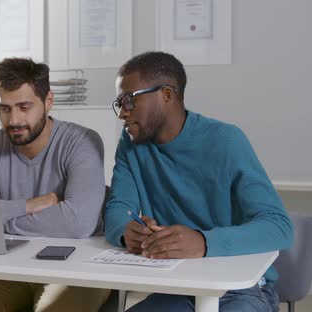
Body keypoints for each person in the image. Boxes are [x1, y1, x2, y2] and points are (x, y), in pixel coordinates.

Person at [104, 51, 293, 311]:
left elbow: (279, 227)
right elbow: (117, 208)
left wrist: (203, 242)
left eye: (129, 100)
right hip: (177, 288)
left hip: (240, 290)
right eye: (119, 102)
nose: (122, 114)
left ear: (166, 95)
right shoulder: (131, 144)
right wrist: (126, 231)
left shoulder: (226, 140)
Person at [0, 58, 111, 311]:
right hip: (9, 266)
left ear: (48, 101)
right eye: (5, 109)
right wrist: (27, 206)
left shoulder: (82, 142)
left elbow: (78, 222)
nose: (14, 119)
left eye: (24, 107)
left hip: (75, 265)